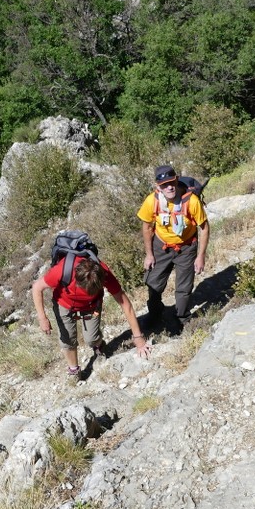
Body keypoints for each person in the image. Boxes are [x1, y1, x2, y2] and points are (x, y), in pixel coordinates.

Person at [32, 254, 151, 383]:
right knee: (67, 340)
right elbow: (37, 287)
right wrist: (42, 317)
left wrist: (138, 338)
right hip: (64, 304)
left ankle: (99, 346)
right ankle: (74, 371)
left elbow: (126, 305)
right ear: (77, 281)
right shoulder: (62, 270)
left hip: (92, 306)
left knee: (92, 338)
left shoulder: (104, 274)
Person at [137, 164, 209, 330]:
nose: (169, 187)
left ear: (176, 180)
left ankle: (182, 318)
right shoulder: (151, 201)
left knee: (183, 288)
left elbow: (204, 227)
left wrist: (201, 255)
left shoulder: (191, 201)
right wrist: (149, 254)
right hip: (161, 245)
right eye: (164, 185)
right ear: (158, 187)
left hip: (186, 246)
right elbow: (147, 228)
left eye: (171, 182)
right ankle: (155, 314)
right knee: (153, 284)